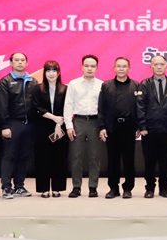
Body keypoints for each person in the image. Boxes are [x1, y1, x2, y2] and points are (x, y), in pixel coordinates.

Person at [137, 54, 167, 198]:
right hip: (149, 130)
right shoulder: (144, 84)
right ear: (151, 67)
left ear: (166, 66)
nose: (159, 67)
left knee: (165, 161)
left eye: (162, 64)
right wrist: (142, 126)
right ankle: (149, 188)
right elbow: (140, 106)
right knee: (149, 161)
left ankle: (164, 188)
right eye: (156, 64)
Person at [98, 57, 140, 199]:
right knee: (112, 159)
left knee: (129, 159)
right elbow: (101, 108)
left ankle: (128, 188)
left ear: (129, 68)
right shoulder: (106, 86)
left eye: (124, 66)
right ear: (114, 68)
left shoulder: (136, 85)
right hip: (112, 127)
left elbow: (139, 108)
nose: (121, 69)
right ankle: (113, 188)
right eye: (119, 66)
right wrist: (102, 126)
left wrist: (138, 126)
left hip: (129, 127)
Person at [0, 51, 36, 199]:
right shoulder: (5, 82)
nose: (20, 62)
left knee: (24, 156)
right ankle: (6, 187)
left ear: (26, 63)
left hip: (29, 125)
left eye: (22, 60)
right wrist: (5, 126)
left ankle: (19, 186)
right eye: (17, 60)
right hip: (12, 124)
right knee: (9, 156)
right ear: (11, 63)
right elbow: (2, 106)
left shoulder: (33, 81)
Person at [63, 54, 102, 198]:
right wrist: (69, 125)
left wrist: (102, 126)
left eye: (92, 66)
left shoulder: (102, 85)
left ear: (97, 68)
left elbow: (104, 108)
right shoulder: (74, 84)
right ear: (82, 67)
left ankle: (93, 187)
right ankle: (76, 187)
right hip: (78, 122)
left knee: (94, 156)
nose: (89, 68)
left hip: (95, 122)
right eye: (87, 66)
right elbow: (68, 104)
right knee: (76, 156)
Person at [32, 61, 68, 198]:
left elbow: (67, 107)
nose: (51, 73)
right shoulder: (37, 88)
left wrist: (58, 124)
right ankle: (44, 188)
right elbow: (36, 107)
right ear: (44, 73)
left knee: (59, 158)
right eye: (48, 71)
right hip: (42, 127)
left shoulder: (65, 89)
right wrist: (54, 118)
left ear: (58, 73)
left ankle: (57, 187)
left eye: (54, 71)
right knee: (42, 158)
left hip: (60, 127)